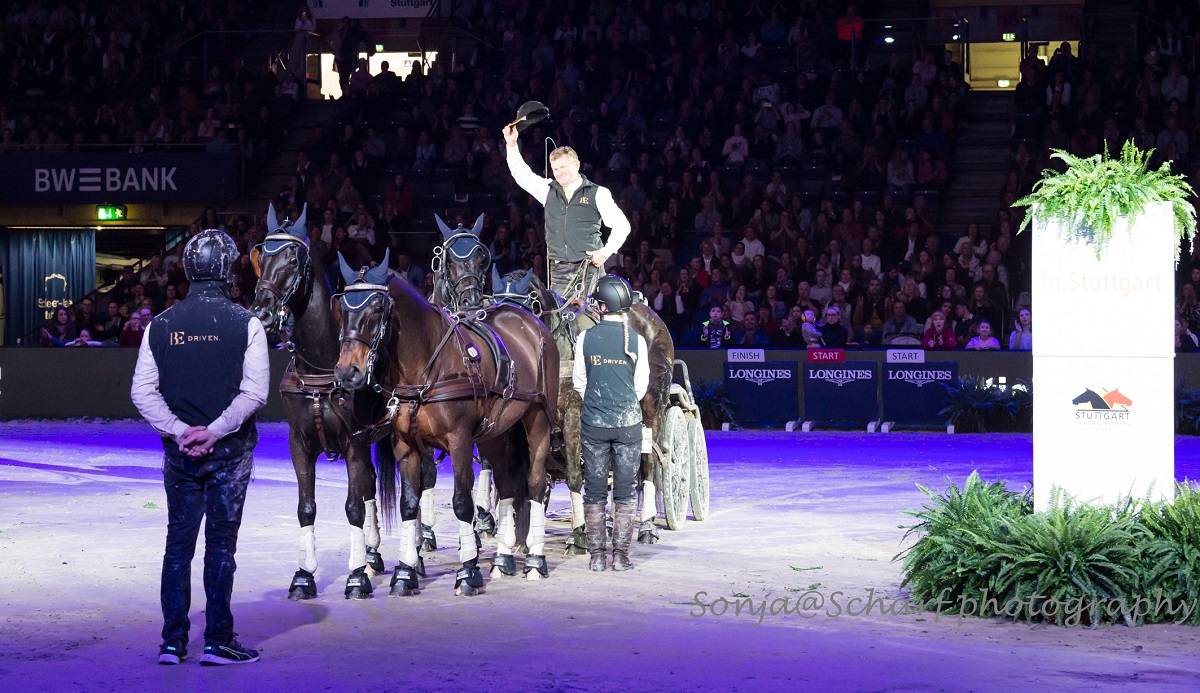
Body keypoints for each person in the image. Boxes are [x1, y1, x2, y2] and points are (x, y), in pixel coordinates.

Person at [130, 228, 269, 666]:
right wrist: (214, 430)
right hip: (228, 453)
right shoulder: (247, 323)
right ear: (228, 270)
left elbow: (142, 392)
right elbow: (254, 393)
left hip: (180, 454)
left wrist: (178, 431)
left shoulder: (159, 325)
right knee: (221, 547)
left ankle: (172, 643)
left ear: (188, 269)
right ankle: (217, 641)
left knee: (178, 545)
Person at [503, 123, 632, 305]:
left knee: (592, 316)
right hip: (558, 271)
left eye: (563, 167)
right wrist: (511, 145)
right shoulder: (548, 190)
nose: (559, 173)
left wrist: (605, 252)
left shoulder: (597, 193)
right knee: (557, 319)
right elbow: (521, 175)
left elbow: (622, 226)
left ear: (576, 165)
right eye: (555, 169)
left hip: (589, 269)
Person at [572, 275, 649, 572]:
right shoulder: (637, 340)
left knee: (594, 490)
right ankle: (620, 557)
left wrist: (597, 401)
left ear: (602, 306)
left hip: (594, 424)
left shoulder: (585, 338)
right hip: (628, 424)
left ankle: (596, 558)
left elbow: (580, 382)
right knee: (626, 491)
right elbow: (640, 386)